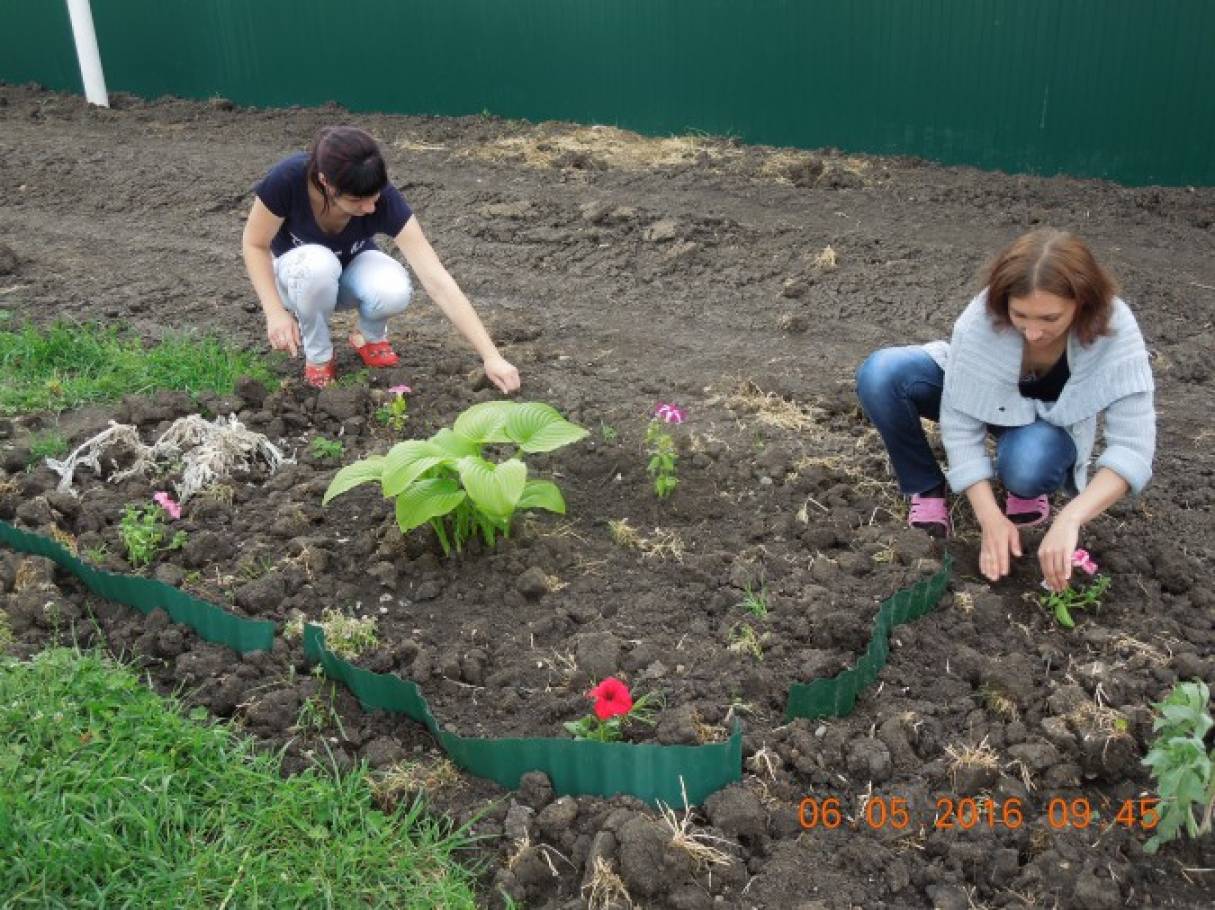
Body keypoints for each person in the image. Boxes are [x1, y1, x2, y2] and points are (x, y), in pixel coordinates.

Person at [855, 229, 1155, 593]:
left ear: (1082, 303)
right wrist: (989, 518)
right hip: (982, 400)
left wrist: (1070, 519)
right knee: (882, 374)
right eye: (1020, 315)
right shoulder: (981, 318)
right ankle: (927, 487)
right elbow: (961, 423)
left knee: (1029, 463)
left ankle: (1023, 484)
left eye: (1049, 318)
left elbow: (1132, 448)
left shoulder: (1113, 329)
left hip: (1043, 428)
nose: (1032, 332)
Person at [242, 125, 520, 392]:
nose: (370, 207)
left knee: (393, 289)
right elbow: (255, 245)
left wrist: (491, 356)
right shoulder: (287, 180)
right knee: (318, 264)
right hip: (298, 280)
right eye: (357, 201)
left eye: (374, 197)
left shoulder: (384, 200)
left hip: (348, 274)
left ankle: (367, 336)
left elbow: (437, 280)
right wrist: (275, 312)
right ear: (326, 182)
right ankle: (319, 357)